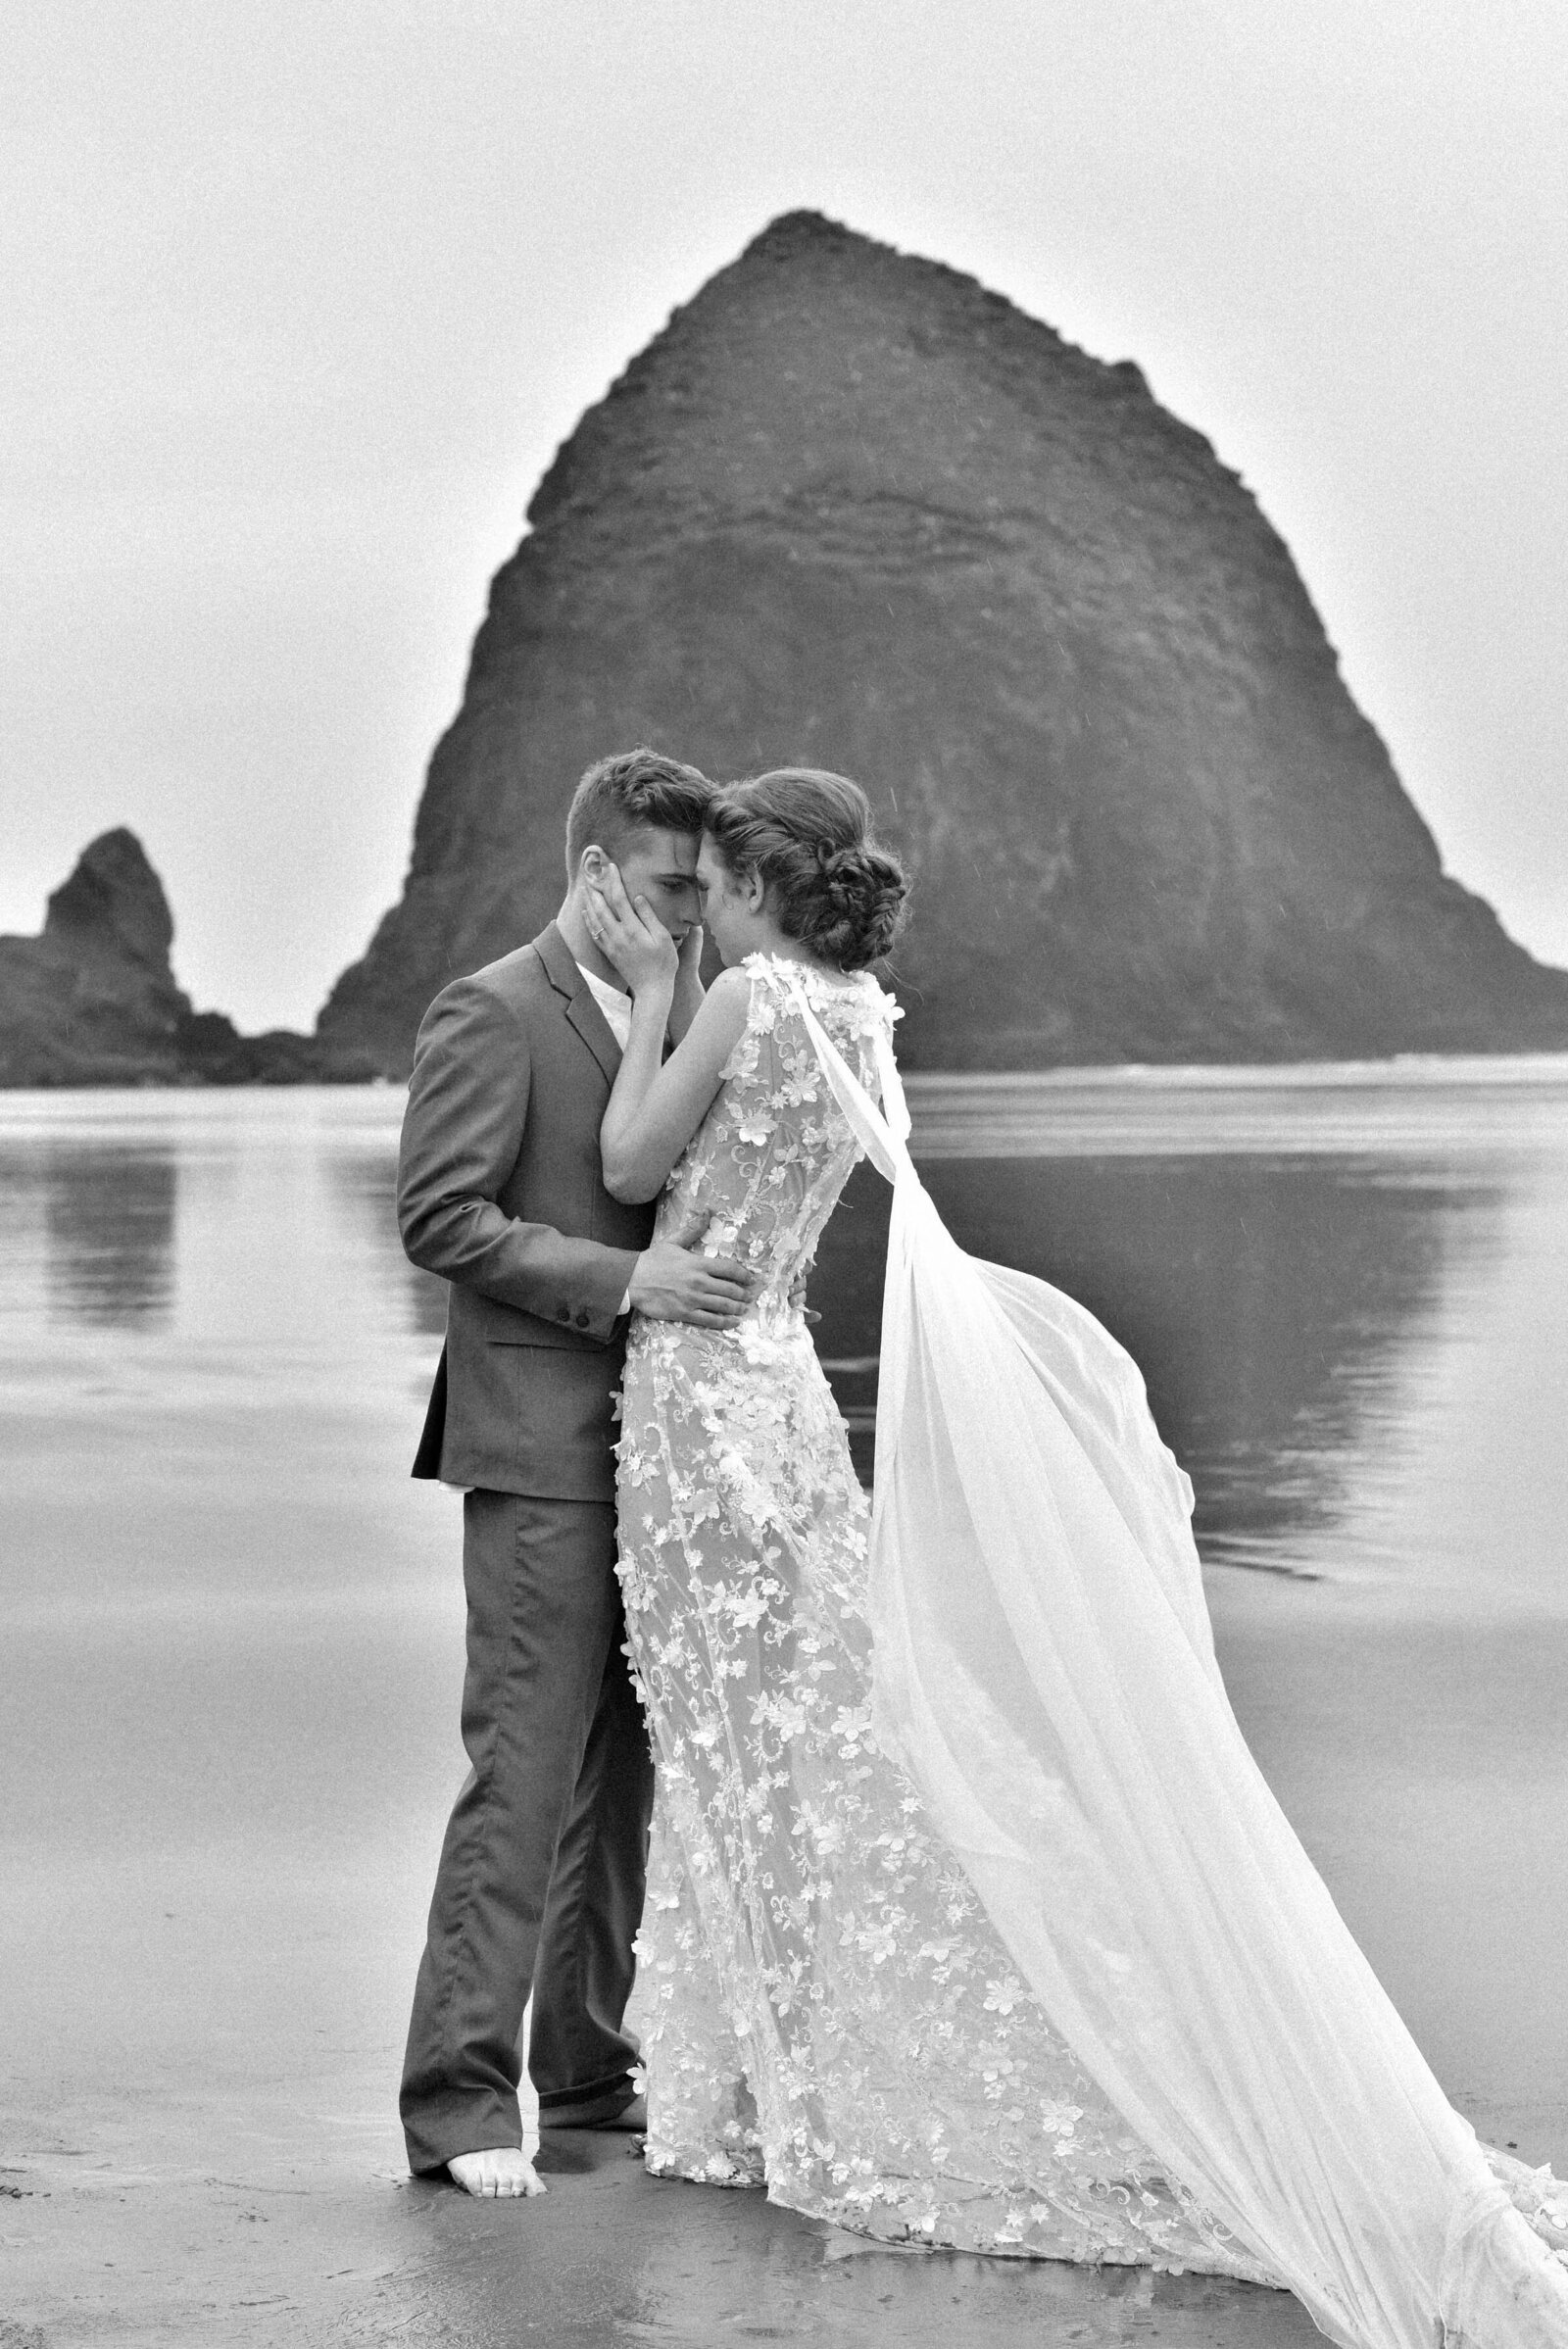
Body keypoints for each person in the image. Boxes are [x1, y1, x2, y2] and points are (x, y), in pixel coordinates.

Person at [580, 766, 1568, 2348]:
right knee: (788, 1733)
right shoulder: (863, 1021)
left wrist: (648, 994)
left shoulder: (747, 998)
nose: (702, 913)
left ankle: (752, 2088)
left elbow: (633, 1169)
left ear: (759, 890)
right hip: (775, 1385)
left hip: (696, 1403)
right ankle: (756, 2070)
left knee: (732, 1743)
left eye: (716, 888)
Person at [396, 746, 762, 2198]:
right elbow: (442, 1217)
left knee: (626, 1793)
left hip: (663, 1455)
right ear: (598, 870)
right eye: (675, 886)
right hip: (537, 1453)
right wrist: (630, 1283)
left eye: (706, 892)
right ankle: (459, 2108)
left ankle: (594, 2089)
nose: (693, 916)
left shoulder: (681, 1014)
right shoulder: (490, 1008)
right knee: (524, 1777)